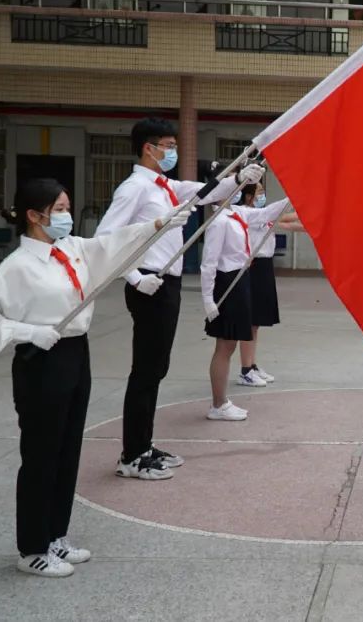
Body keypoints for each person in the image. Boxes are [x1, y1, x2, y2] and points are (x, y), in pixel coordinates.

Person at [0, 178, 191, 577]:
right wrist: (29, 332)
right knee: (41, 455)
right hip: (42, 362)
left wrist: (159, 225)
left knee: (68, 451)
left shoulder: (73, 249)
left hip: (76, 354)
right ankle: (31, 547)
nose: (67, 216)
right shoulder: (16, 268)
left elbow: (112, 244)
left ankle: (55, 536)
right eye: (61, 209)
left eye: (68, 207)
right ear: (35, 216)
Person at [95, 118, 263, 479]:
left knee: (156, 369)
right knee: (145, 371)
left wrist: (240, 177)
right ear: (148, 148)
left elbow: (205, 191)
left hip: (167, 286)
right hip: (149, 286)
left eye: (173, 145)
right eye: (168, 146)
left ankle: (144, 444)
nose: (172, 152)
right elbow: (104, 238)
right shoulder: (134, 189)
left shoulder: (165, 185)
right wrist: (135, 277)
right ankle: (132, 455)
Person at [201, 184, 294, 419]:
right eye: (233, 185)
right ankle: (218, 404)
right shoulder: (219, 221)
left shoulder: (237, 213)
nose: (238, 189)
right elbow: (209, 263)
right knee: (224, 345)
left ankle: (220, 402)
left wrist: (293, 194)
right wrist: (208, 299)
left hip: (240, 279)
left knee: (230, 344)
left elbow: (266, 213)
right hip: (227, 282)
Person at [235, 182, 306, 388]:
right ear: (248, 196)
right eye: (259, 192)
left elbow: (290, 220)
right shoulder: (249, 215)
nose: (262, 195)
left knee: (256, 322)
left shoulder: (262, 215)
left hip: (264, 266)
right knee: (250, 321)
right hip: (254, 267)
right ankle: (245, 370)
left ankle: (252, 365)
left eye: (263, 192)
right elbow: (282, 217)